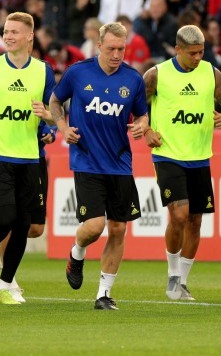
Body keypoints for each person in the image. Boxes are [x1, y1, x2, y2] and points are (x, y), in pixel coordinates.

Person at [49, 22, 149, 310]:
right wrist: (62, 127)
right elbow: (56, 101)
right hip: (87, 160)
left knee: (118, 229)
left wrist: (142, 126)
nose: (117, 54)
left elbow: (142, 115)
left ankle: (103, 294)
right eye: (111, 49)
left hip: (119, 163)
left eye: (121, 49)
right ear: (99, 46)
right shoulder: (78, 72)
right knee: (94, 226)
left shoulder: (133, 79)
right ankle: (77, 252)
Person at [0, 12, 56, 304]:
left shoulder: (44, 71)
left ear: (30, 36)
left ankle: (4, 287)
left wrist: (49, 118)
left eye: (15, 32)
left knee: (24, 223)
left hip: (29, 156)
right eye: (6, 31)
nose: (8, 36)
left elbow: (55, 113)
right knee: (7, 216)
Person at [142, 24, 221, 301]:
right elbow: (137, 106)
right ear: (178, 49)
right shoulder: (157, 74)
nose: (198, 58)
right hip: (168, 154)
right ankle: (172, 276)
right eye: (193, 53)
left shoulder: (212, 73)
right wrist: (146, 129)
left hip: (200, 157)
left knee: (195, 221)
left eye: (202, 52)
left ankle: (182, 282)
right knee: (180, 215)